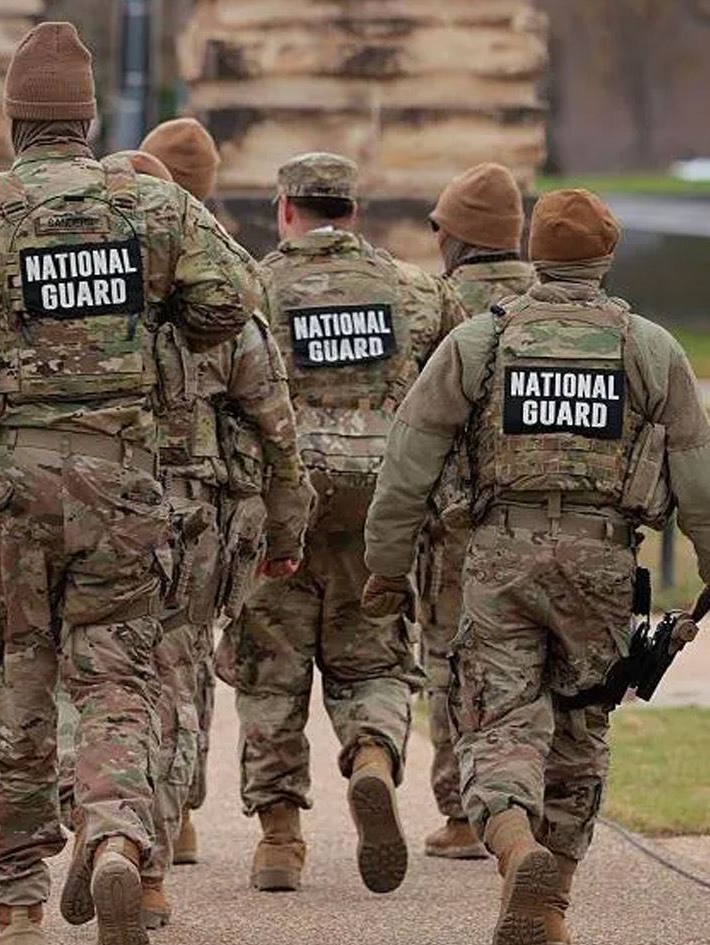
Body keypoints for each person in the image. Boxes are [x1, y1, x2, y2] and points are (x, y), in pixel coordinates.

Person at [0, 22, 261, 945]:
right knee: (119, 674)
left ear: (16, 122)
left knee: (19, 681)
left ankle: (18, 898)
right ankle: (123, 840)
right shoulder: (150, 208)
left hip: (11, 483)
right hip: (126, 483)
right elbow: (231, 300)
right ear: (89, 120)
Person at [362, 189, 710, 945]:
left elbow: (410, 456)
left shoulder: (482, 342)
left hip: (500, 558)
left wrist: (387, 564)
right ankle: (551, 902)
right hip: (602, 564)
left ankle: (516, 848)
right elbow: (696, 470)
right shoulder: (650, 348)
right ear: (605, 258)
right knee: (581, 727)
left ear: (538, 254)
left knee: (496, 718)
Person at [220, 152, 462, 896]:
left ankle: (280, 837)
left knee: (270, 673)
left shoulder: (251, 288)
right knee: (376, 660)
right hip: (380, 508)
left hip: (279, 508)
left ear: (285, 209)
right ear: (353, 212)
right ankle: (371, 758)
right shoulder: (416, 292)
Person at [134, 118, 312, 895]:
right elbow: (274, 419)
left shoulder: (100, 281)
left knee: (100, 672)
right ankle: (171, 822)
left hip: (103, 500)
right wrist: (284, 519)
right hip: (204, 509)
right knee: (182, 674)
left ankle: (106, 819)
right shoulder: (230, 281)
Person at [416, 162, 537, 861]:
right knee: (536, 662)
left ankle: (465, 813)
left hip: (457, 524)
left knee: (452, 660)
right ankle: (531, 802)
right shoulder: (563, 300)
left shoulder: (436, 303)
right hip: (545, 521)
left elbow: (415, 421)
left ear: (454, 237)